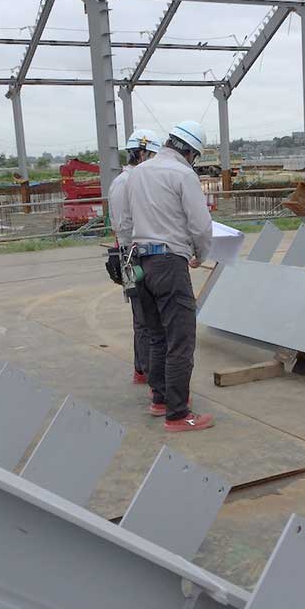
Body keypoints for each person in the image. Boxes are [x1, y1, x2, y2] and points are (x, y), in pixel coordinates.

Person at [118, 120, 215, 433]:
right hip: (170, 263)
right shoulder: (183, 174)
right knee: (181, 339)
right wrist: (201, 252)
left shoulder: (137, 173)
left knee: (156, 335)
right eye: (194, 156)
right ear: (189, 151)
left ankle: (159, 399)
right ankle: (177, 413)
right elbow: (200, 224)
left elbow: (126, 221)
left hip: (140, 263)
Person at [108, 128, 162, 384]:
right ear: (140, 153)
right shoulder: (125, 183)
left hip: (135, 253)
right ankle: (146, 371)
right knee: (146, 318)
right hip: (134, 256)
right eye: (151, 155)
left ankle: (142, 368)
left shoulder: (134, 180)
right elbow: (123, 225)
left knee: (143, 317)